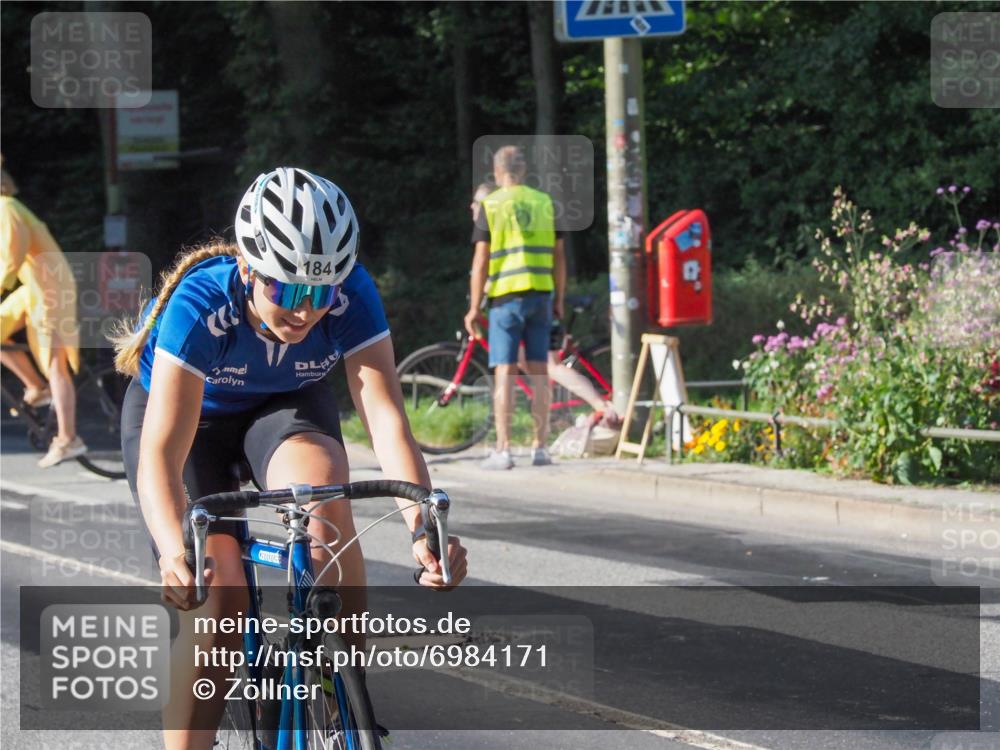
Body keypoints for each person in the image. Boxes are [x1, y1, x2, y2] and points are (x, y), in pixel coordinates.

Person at [112, 167, 468, 750]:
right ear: (248, 270)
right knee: (219, 601)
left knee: (327, 513)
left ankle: (342, 703)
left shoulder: (352, 296)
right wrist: (176, 553)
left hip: (282, 406)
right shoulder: (201, 303)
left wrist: (423, 528)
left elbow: (386, 421)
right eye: (288, 291)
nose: (306, 311)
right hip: (190, 425)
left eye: (321, 293)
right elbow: (161, 452)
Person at [469, 182, 619, 426]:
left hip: (532, 301)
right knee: (525, 361)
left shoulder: (503, 227)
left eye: (478, 203)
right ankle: (553, 408)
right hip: (536, 300)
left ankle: (601, 405)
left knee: (551, 365)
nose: (473, 207)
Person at [465, 146, 565, 469]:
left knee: (505, 372)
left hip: (506, 299)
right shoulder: (545, 202)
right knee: (540, 372)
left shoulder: (491, 205)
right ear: (523, 171)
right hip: (541, 295)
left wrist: (474, 307)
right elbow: (559, 257)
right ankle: (540, 448)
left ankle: (504, 449)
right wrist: (559, 299)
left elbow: (481, 260)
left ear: (497, 172)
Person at [0, 158, 86, 467]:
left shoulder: (7, 207)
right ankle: (36, 388)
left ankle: (68, 438)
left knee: (55, 365)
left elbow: (12, 256)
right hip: (35, 289)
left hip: (50, 290)